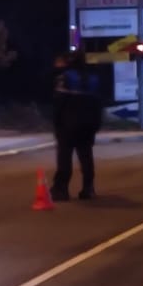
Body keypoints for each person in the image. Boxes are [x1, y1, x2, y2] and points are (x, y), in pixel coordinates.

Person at [51, 50, 104, 201]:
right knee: (86, 157)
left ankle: (61, 190)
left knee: (64, 158)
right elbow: (98, 104)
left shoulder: (65, 78)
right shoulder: (93, 80)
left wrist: (56, 124)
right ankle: (88, 188)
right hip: (88, 126)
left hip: (68, 126)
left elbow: (58, 103)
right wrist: (96, 125)